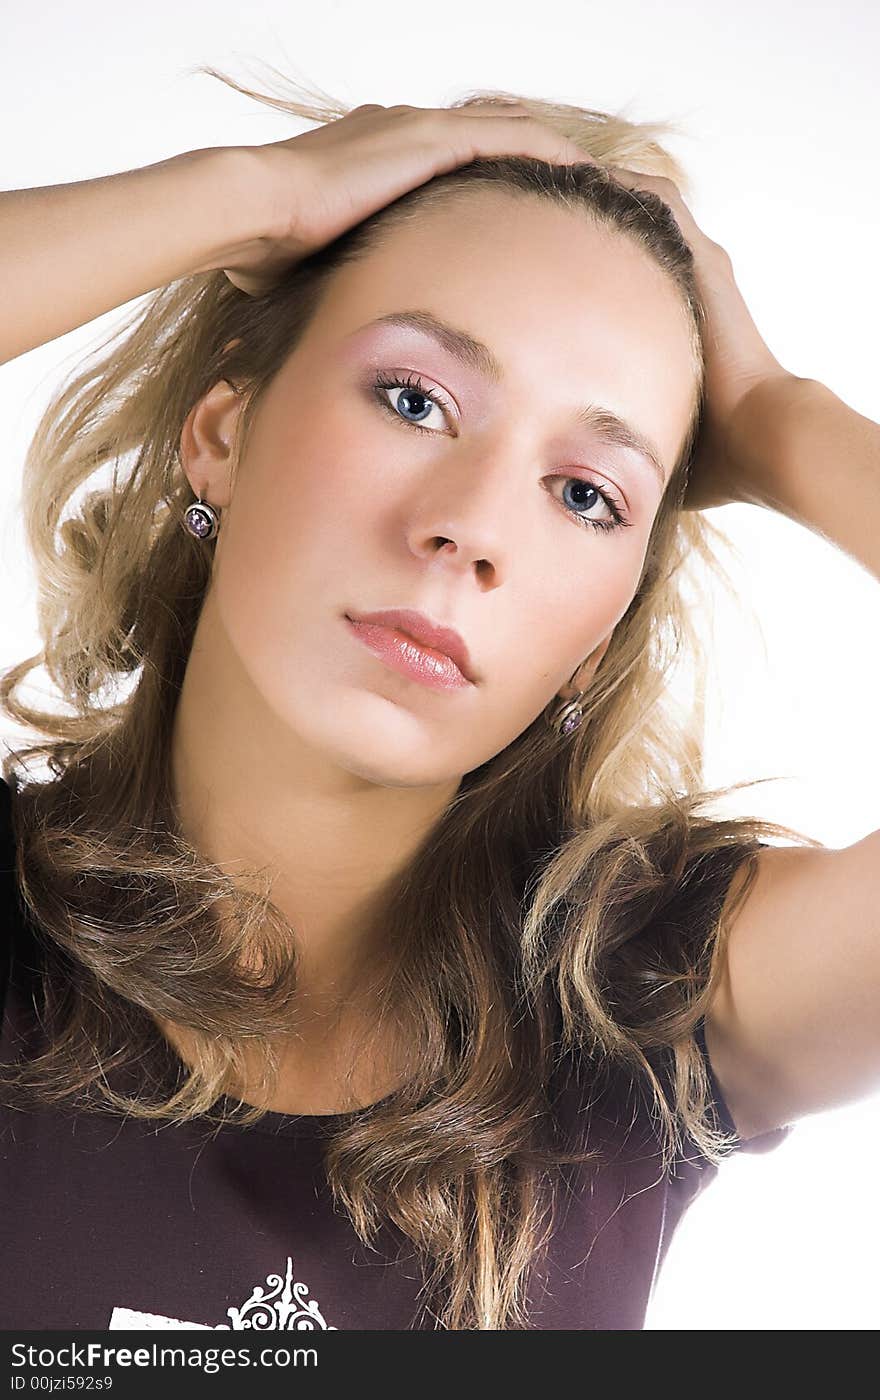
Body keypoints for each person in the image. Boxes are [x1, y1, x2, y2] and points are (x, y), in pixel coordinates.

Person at [0, 71, 877, 1333]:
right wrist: (247, 194)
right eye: (416, 400)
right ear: (221, 434)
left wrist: (783, 422)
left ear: (604, 628)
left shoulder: (655, 999)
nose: (470, 527)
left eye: (586, 494)